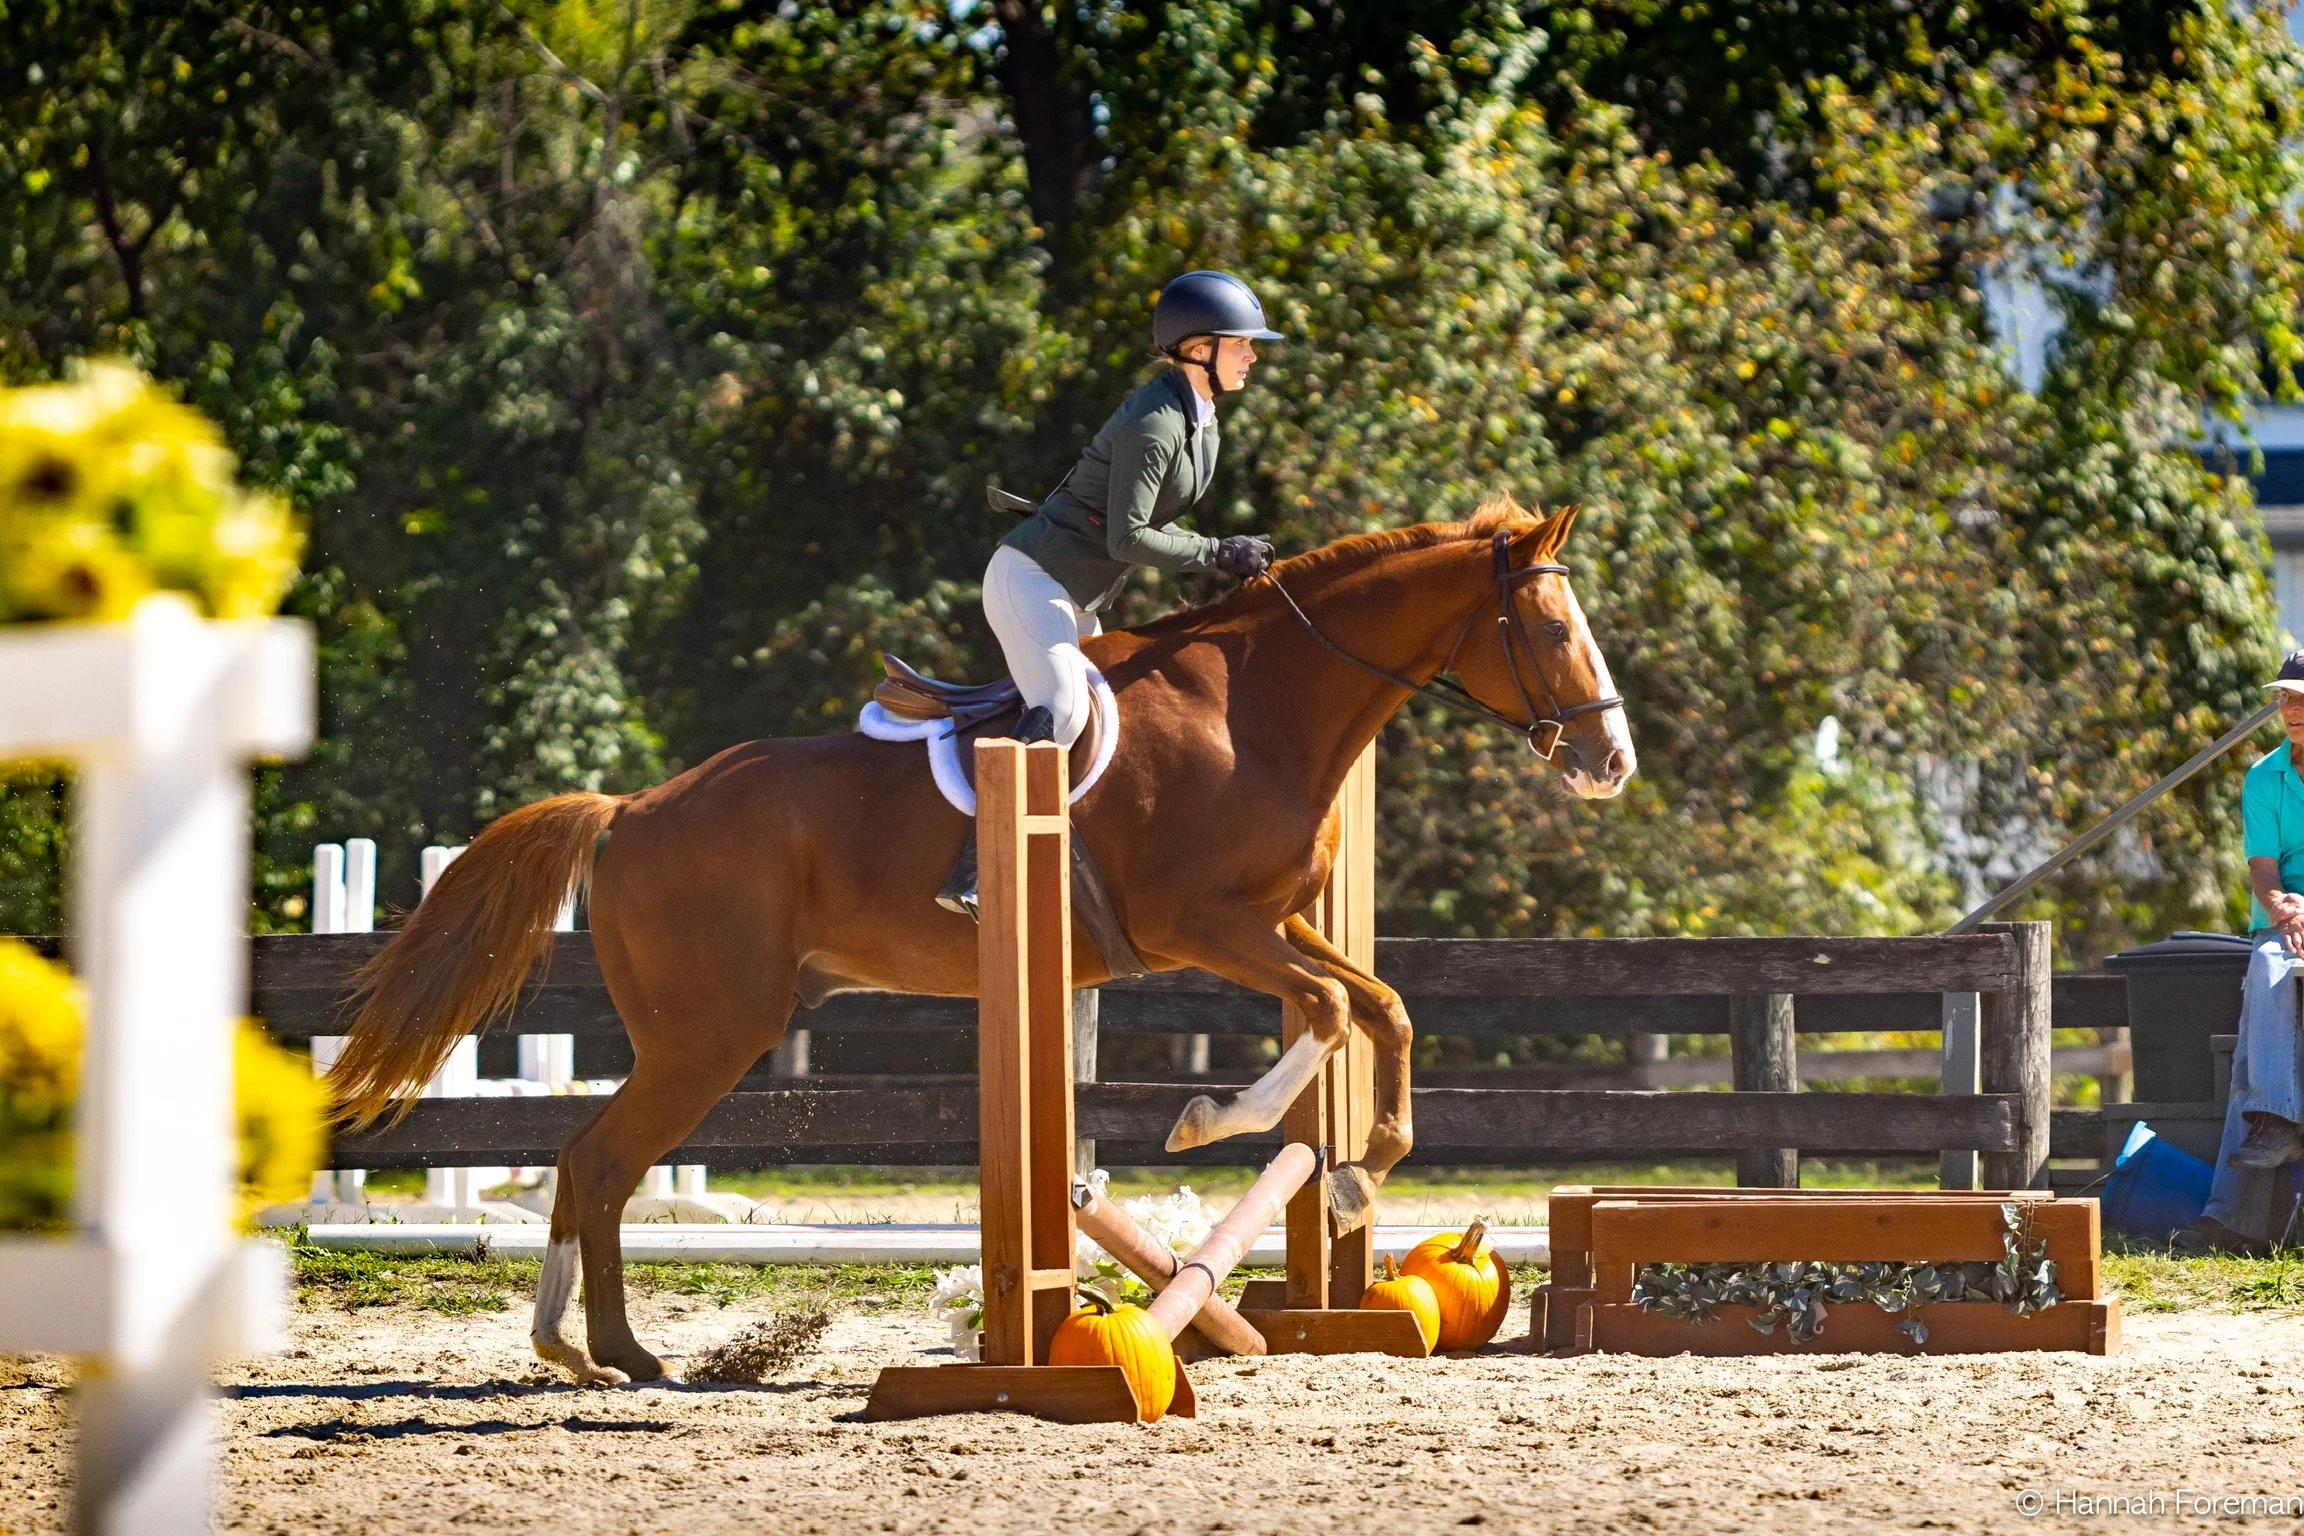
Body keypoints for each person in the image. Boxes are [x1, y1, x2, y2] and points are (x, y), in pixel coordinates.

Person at [936, 271, 1284, 918]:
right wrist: (1215, 553)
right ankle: (976, 868)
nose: (1253, 355)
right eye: (1242, 344)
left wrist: (1220, 551)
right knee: (1065, 705)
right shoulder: (1155, 422)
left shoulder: (1199, 421)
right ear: (1199, 348)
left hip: (1078, 595)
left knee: (1119, 720)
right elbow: (1129, 538)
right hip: (1030, 579)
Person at [2172, 649, 2304, 1256]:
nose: (2291, 708)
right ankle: (2273, 1122)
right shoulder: (2264, 776)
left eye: (2302, 697)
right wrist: (2282, 908)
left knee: (2252, 1065)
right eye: (2284, 697)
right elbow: (2263, 867)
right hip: (2282, 923)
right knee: (2269, 964)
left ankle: (2234, 1217)